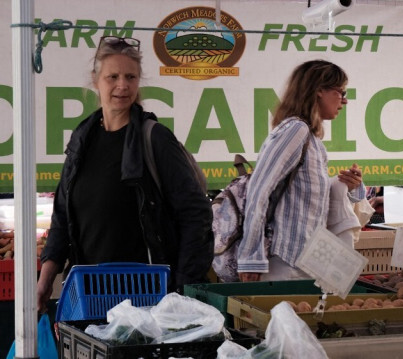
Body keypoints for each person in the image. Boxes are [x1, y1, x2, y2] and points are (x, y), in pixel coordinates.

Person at [36, 36, 213, 312]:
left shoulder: (154, 139)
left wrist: (181, 290)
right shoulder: (82, 139)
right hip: (89, 296)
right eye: (113, 77)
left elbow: (196, 214)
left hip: (147, 299)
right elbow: (62, 216)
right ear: (96, 80)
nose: (122, 85)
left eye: (131, 76)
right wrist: (45, 280)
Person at [237, 60, 364, 282]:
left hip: (303, 260)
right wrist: (251, 257)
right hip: (283, 262)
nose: (344, 100)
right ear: (318, 91)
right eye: (340, 92)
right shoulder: (295, 130)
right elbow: (259, 190)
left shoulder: (311, 139)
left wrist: (347, 184)